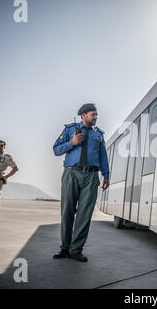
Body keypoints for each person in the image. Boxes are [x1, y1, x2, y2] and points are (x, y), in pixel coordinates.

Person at [53, 103, 110, 262]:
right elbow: (56, 149)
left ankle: (75, 250)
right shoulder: (69, 130)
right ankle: (65, 248)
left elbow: (103, 157)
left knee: (84, 216)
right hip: (71, 173)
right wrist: (72, 143)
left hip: (91, 176)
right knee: (67, 212)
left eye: (96, 114)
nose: (96, 117)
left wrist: (106, 175)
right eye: (93, 114)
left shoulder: (98, 134)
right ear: (83, 115)